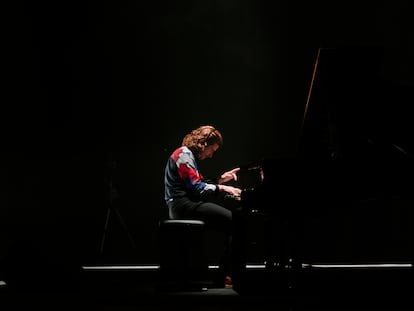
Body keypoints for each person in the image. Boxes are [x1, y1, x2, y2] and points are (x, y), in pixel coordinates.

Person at [164, 125, 244, 287]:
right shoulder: (184, 154)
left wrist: (221, 180)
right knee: (237, 222)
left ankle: (224, 274)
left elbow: (197, 184)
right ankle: (224, 276)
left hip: (185, 203)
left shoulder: (187, 155)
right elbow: (196, 188)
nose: (211, 155)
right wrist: (224, 188)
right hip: (183, 206)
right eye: (212, 150)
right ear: (204, 144)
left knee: (235, 223)